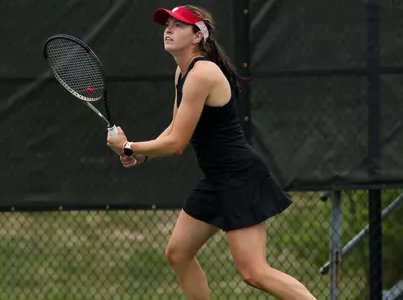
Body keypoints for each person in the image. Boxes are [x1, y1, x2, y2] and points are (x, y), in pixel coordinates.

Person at [106, 5, 317, 300]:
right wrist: (143, 154)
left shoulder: (202, 72)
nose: (168, 29)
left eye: (178, 25)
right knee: (178, 253)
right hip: (216, 179)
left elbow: (178, 143)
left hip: (240, 178)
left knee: (254, 272)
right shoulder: (182, 72)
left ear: (197, 36)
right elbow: (173, 127)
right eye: (167, 24)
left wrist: (129, 146)